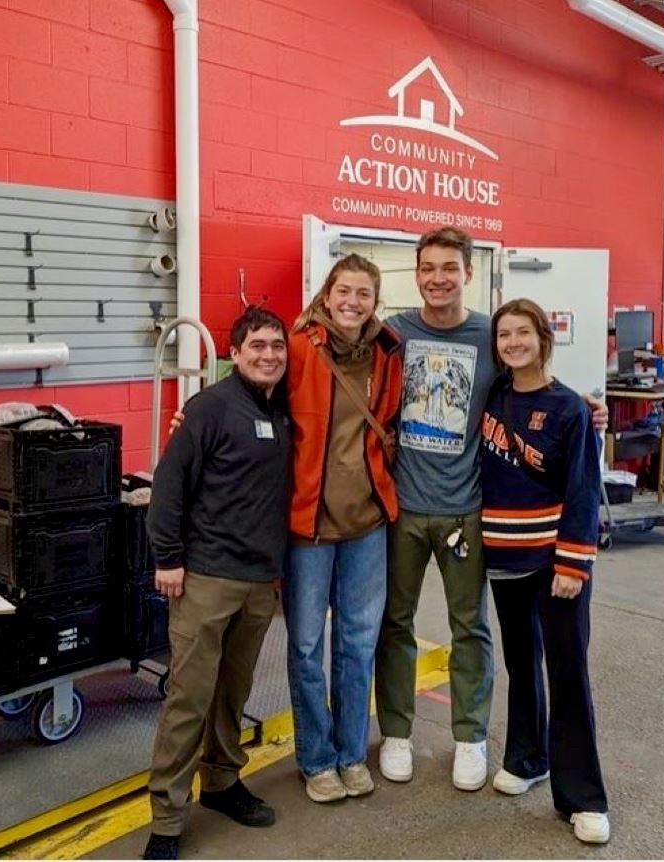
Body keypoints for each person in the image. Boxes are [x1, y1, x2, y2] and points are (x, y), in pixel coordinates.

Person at [373, 226, 609, 792]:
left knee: (470, 627)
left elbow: (533, 383)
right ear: (416, 271)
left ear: (468, 273)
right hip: (403, 506)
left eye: (449, 268)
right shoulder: (394, 332)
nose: (437, 278)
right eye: (428, 267)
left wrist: (582, 406)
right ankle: (398, 733)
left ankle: (471, 740)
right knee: (395, 623)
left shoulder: (488, 334)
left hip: (467, 511)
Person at [142, 307, 291, 861]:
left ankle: (223, 782)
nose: (269, 354)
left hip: (258, 581)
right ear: (234, 351)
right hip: (205, 577)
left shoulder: (284, 411)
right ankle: (167, 818)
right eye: (257, 345)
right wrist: (169, 558)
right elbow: (169, 487)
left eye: (277, 345)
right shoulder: (207, 409)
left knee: (233, 693)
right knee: (189, 697)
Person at [481, 298, 610, 844]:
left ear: (542, 339)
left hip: (555, 559)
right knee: (521, 662)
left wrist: (573, 562)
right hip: (504, 558)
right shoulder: (492, 397)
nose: (513, 343)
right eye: (504, 335)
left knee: (567, 671)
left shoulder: (569, 408)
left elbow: (583, 489)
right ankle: (528, 757)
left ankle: (584, 796)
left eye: (523, 333)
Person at [283, 253, 403, 803]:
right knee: (307, 645)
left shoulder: (387, 351)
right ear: (327, 294)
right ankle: (316, 758)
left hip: (366, 521)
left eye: (364, 294)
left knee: (357, 643)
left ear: (375, 302)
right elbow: (256, 398)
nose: (353, 302)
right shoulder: (299, 347)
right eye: (344, 291)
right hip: (308, 522)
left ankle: (353, 752)